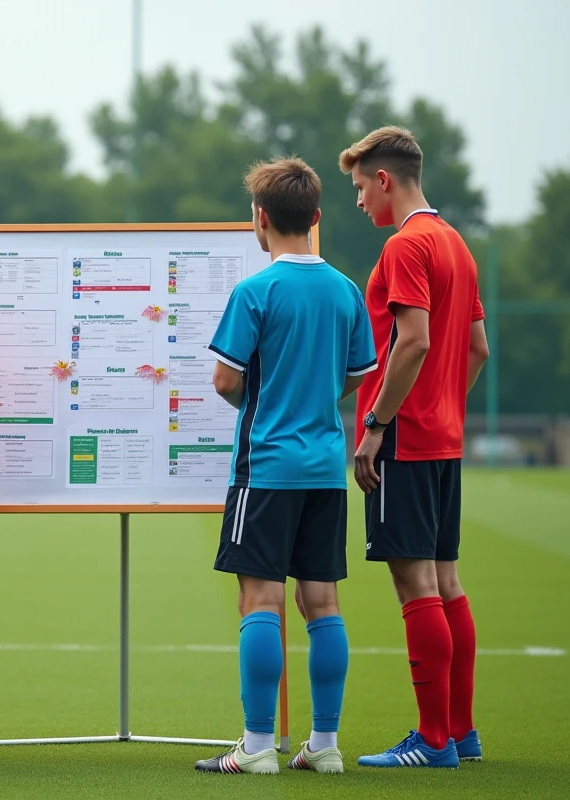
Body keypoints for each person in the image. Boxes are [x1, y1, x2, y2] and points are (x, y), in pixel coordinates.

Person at [195, 157, 376, 776]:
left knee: (259, 601)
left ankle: (257, 745)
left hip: (266, 468)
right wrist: (313, 397)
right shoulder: (346, 290)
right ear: (317, 218)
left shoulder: (255, 291)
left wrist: (268, 400)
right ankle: (324, 747)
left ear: (260, 220)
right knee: (322, 603)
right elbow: (355, 375)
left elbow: (225, 380)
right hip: (326, 468)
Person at [338, 126, 489, 769]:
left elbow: (415, 340)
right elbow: (477, 348)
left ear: (384, 180)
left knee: (414, 582)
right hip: (445, 436)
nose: (358, 205)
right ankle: (460, 733)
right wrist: (444, 403)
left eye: (358, 189)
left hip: (404, 436)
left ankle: (431, 742)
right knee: (447, 581)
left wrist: (377, 422)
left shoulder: (406, 246)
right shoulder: (455, 243)